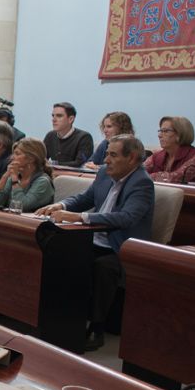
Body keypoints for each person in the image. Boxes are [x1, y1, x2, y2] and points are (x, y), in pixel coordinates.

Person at [36, 135, 154, 351]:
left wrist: (81, 217)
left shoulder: (142, 183)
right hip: (94, 240)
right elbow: (84, 198)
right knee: (59, 255)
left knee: (103, 267)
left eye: (113, 155)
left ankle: (97, 329)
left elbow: (126, 218)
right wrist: (60, 205)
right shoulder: (104, 174)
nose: (106, 160)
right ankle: (59, 322)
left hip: (122, 248)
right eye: (107, 153)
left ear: (132, 158)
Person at [0, 138, 55, 212]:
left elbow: (21, 206)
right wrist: (5, 175)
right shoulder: (16, 177)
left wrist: (14, 179)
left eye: (17, 154)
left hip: (30, 222)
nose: (12, 157)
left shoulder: (43, 182)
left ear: (31, 159)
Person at [145, 116, 195, 183]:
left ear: (179, 134)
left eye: (166, 131)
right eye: (160, 131)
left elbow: (175, 179)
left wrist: (147, 177)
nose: (159, 135)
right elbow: (137, 172)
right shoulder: (157, 156)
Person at [42, 102, 94, 166]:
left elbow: (80, 163)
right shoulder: (50, 136)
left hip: (74, 175)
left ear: (70, 119)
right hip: (53, 173)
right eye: (53, 116)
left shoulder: (84, 137)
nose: (54, 119)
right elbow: (41, 159)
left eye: (59, 116)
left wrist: (53, 163)